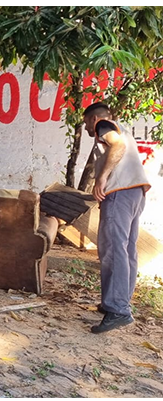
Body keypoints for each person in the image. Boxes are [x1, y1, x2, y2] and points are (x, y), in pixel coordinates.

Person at [83, 103, 151, 334]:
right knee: (126, 249)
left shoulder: (104, 125)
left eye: (86, 123)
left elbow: (117, 145)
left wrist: (101, 178)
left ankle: (118, 309)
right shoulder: (124, 129)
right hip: (135, 192)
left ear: (93, 119)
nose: (86, 128)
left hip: (119, 193)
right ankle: (116, 302)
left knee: (112, 249)